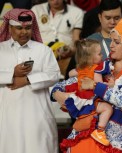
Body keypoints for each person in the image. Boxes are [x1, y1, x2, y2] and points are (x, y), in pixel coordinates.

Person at [51, 13, 122, 153]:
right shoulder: (101, 67)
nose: (111, 45)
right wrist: (57, 93)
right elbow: (73, 81)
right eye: (111, 41)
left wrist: (95, 86)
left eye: (116, 42)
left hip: (114, 142)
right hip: (83, 136)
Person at [0, 9, 60, 153]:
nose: (24, 32)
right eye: (19, 28)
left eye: (28, 28)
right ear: (9, 27)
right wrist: (12, 73)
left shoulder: (43, 50)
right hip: (7, 115)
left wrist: (27, 80)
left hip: (37, 116)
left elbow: (54, 74)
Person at [57, 39, 113, 146]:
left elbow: (70, 73)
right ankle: (100, 131)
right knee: (108, 108)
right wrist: (110, 84)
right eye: (99, 53)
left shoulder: (80, 68)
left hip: (79, 99)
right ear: (91, 58)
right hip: (90, 99)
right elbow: (98, 85)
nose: (102, 55)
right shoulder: (97, 69)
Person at [31, 0, 84, 76]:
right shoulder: (36, 10)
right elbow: (29, 35)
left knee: (74, 68)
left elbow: (76, 38)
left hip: (65, 55)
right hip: (41, 54)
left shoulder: (77, 12)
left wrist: (71, 51)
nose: (55, 1)